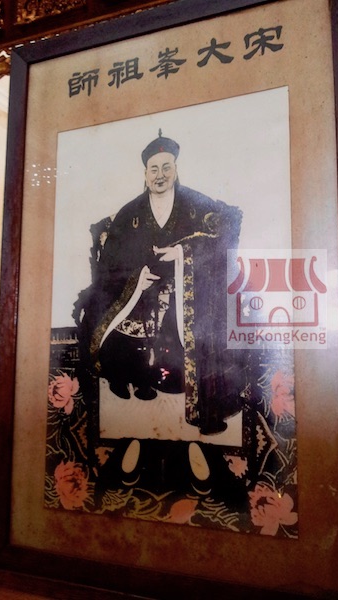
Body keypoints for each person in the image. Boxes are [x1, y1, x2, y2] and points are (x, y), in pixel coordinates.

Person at [74, 130, 248, 436]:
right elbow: (110, 263)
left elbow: (228, 226)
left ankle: (179, 385)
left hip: (184, 290)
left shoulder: (195, 203)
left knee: (201, 330)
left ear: (176, 170)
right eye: (154, 169)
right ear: (145, 174)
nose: (160, 175)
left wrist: (183, 253)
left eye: (166, 168)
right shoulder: (130, 213)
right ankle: (129, 376)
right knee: (115, 342)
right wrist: (135, 280)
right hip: (137, 292)